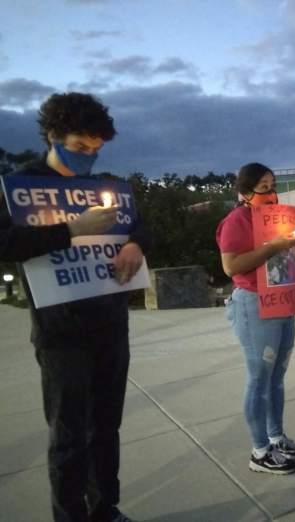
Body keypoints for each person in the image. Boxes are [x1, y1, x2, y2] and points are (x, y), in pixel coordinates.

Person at [0, 93, 150, 522]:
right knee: (69, 437)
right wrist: (70, 230)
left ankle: (106, 509)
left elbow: (139, 224)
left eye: (96, 149)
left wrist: (136, 243)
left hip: (110, 323)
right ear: (53, 136)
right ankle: (70, 516)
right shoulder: (20, 187)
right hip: (61, 332)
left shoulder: (106, 185)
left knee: (106, 428)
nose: (88, 156)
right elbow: (5, 243)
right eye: (79, 147)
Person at [217, 162, 295, 475]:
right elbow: (231, 267)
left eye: (273, 186)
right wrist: (272, 247)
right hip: (254, 303)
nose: (272, 194)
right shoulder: (236, 220)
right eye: (263, 188)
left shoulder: (279, 218)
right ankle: (259, 451)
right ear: (245, 193)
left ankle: (276, 436)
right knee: (259, 378)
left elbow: (286, 254)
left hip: (281, 300)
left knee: (276, 377)